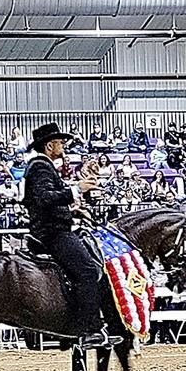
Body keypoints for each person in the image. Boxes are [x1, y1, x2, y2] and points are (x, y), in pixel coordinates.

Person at [22, 123, 107, 349]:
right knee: (88, 271)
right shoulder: (40, 167)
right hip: (52, 232)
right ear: (50, 146)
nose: (64, 146)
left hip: (53, 226)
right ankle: (88, 329)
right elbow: (44, 198)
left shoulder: (41, 166)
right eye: (60, 142)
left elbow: (46, 202)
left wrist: (71, 211)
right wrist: (76, 190)